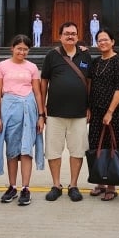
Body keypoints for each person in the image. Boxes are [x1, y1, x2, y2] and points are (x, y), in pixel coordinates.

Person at [40, 21, 92, 202]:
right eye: (67, 33)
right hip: (54, 113)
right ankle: (56, 185)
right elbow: (44, 82)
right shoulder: (51, 56)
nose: (70, 36)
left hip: (79, 114)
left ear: (78, 37)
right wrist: (42, 108)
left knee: (77, 151)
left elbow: (90, 82)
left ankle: (74, 185)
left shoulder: (85, 56)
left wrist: (89, 107)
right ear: (60, 36)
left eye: (73, 33)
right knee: (53, 151)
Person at [0, 34, 45, 206]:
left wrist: (41, 116)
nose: (22, 52)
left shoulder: (32, 67)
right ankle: (12, 186)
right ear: (12, 48)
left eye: (25, 49)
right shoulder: (2, 66)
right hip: (9, 110)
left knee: (26, 149)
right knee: (12, 150)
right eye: (19, 48)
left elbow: (38, 92)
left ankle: (25, 188)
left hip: (28, 109)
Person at [86, 28, 119, 201]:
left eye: (105, 39)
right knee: (97, 146)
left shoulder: (118, 61)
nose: (102, 42)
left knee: (112, 146)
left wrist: (110, 111)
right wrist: (88, 107)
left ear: (112, 42)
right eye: (99, 40)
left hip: (114, 113)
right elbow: (90, 85)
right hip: (96, 111)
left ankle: (111, 185)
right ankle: (99, 182)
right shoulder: (95, 62)